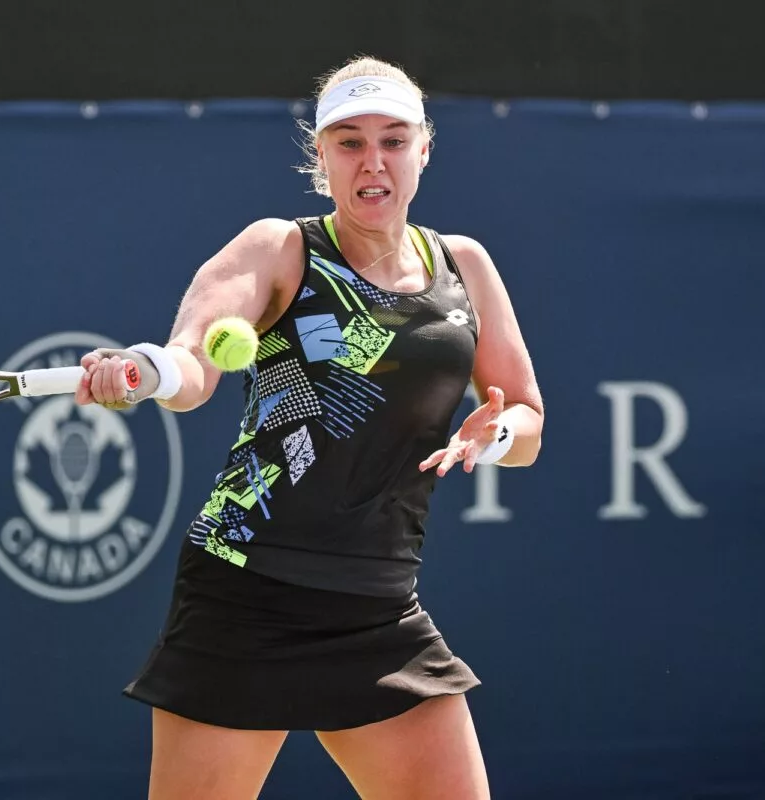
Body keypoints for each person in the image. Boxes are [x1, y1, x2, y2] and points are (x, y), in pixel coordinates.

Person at [76, 55, 543, 800]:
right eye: (350, 141)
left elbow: (525, 414)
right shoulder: (279, 249)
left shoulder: (465, 266)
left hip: (380, 607)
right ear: (320, 155)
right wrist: (147, 371)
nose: (373, 162)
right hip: (246, 593)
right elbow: (192, 367)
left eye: (393, 140)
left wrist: (499, 434)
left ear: (424, 148)